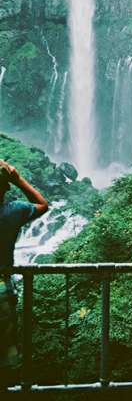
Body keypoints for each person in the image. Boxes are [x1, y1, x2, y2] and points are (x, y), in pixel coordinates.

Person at [0, 160, 48, 389]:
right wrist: (17, 179)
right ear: (6, 187)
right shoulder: (14, 212)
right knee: (4, 352)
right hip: (2, 289)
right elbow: (42, 204)